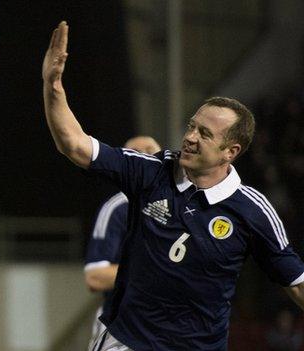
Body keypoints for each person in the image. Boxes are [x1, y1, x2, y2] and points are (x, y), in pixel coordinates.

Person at [42, 21, 304, 351]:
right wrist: (53, 87)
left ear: (231, 152)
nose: (190, 137)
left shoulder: (252, 210)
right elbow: (75, 145)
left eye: (205, 134)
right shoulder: (151, 171)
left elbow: (296, 283)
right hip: (128, 342)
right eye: (192, 126)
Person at [84, 136, 160, 339]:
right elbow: (95, 277)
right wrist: (157, 270)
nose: (144, 157)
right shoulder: (118, 208)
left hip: (170, 326)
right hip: (123, 325)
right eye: (135, 152)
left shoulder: (184, 206)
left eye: (150, 151)